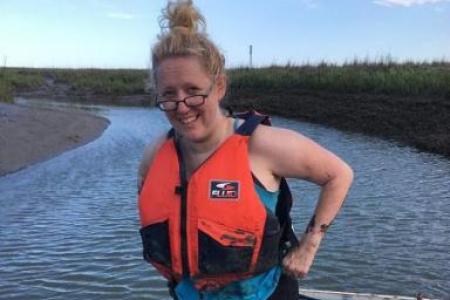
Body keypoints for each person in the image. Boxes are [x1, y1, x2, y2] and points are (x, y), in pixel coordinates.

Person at [137, 1, 353, 299]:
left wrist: (308, 246)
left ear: (219, 87)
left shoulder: (262, 145)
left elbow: (339, 174)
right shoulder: (155, 153)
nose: (182, 106)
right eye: (169, 95)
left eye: (193, 91)